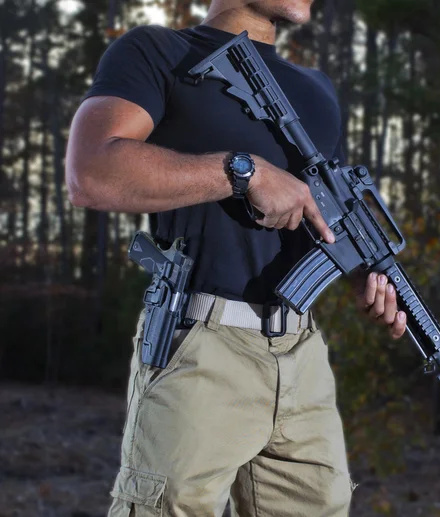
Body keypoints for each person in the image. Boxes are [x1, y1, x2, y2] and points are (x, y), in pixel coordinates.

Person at [66, 0, 407, 515]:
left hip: (303, 355)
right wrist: (244, 172)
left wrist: (360, 266)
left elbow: (317, 210)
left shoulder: (318, 90)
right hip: (202, 345)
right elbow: (89, 173)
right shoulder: (159, 52)